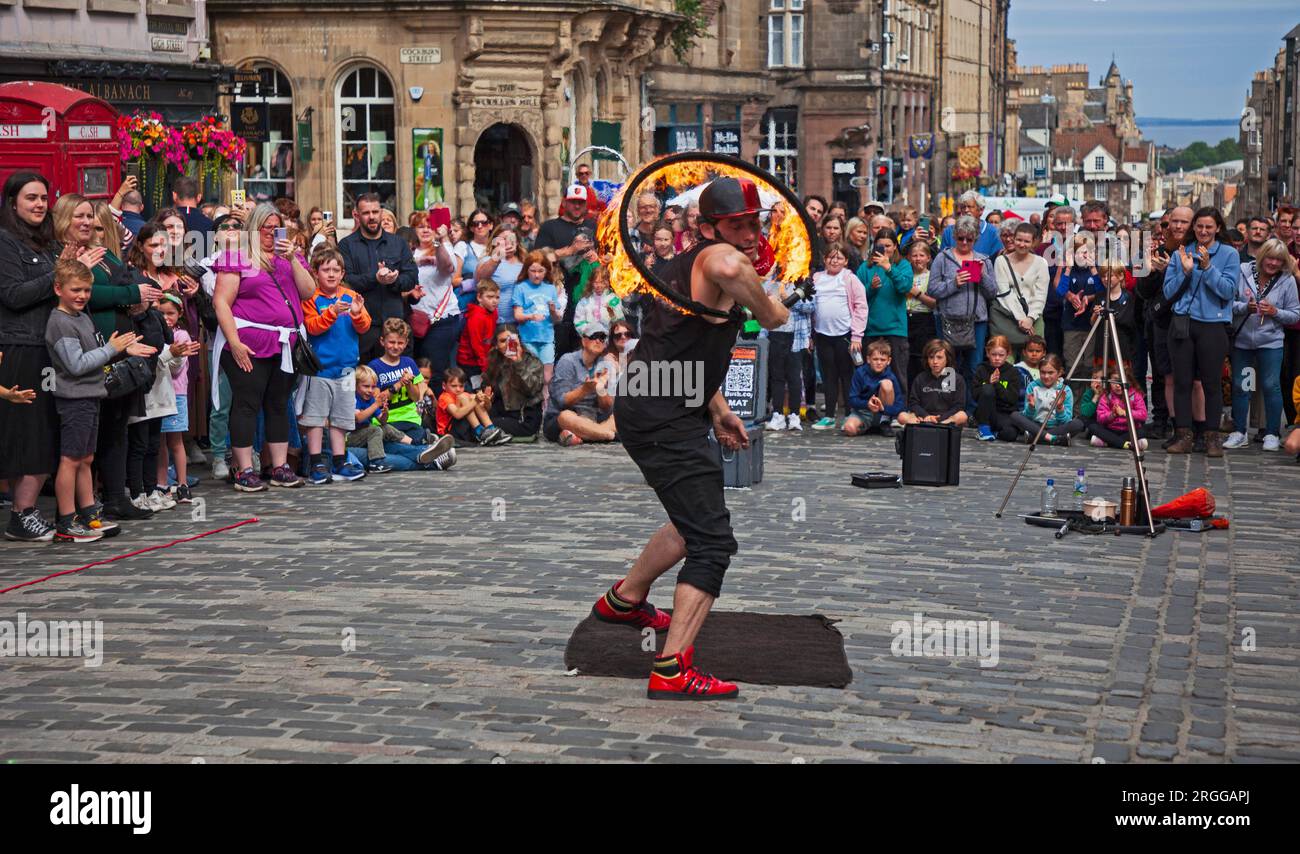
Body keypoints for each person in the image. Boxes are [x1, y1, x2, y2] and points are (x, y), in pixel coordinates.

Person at [595, 176, 790, 701]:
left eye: (754, 222)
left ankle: (624, 600)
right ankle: (672, 668)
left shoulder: (687, 267)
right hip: (660, 415)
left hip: (663, 398)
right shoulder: (718, 262)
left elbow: (685, 348)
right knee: (712, 541)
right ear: (707, 228)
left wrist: (719, 408)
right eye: (736, 225)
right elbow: (767, 312)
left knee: (691, 519)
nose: (749, 234)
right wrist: (779, 300)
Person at [45, 259, 153, 541]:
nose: (81, 296)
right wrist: (111, 348)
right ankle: (67, 521)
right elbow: (77, 365)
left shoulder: (82, 317)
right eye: (75, 290)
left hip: (92, 396)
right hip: (74, 399)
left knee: (86, 458)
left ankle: (89, 514)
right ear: (58, 289)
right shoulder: (60, 322)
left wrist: (120, 349)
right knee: (70, 459)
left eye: (86, 290)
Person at [211, 203, 313, 491]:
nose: (271, 233)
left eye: (275, 227)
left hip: (284, 344)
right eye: (265, 227)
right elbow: (221, 302)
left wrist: (293, 259)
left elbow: (308, 291)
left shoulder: (289, 258)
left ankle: (279, 466)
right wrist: (234, 342)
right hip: (249, 342)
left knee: (279, 404)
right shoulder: (237, 258)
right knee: (246, 404)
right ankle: (244, 469)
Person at [0, 173, 68, 541]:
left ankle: (25, 511)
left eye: (44, 197)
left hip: (49, 347)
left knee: (45, 433)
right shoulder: (5, 242)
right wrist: (57, 274)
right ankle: (21, 514)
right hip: (20, 348)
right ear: (12, 202)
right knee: (27, 434)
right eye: (31, 198)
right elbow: (12, 294)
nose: (40, 204)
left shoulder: (47, 245)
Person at [1164, 207, 1239, 457]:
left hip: (1213, 325)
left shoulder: (1228, 254)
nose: (1203, 231)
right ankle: (1184, 434)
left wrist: (1207, 269)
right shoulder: (1180, 253)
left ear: (1218, 228)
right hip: (1184, 323)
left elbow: (1228, 291)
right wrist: (1185, 271)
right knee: (1182, 381)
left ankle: (1212, 438)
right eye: (1199, 226)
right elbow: (1168, 293)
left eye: (1209, 226)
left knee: (1211, 384)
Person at [299, 247, 371, 484]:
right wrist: (331, 313)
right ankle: (317, 462)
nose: (331, 274)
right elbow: (313, 327)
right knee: (316, 418)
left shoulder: (351, 295)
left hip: (348, 369)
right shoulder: (311, 298)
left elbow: (364, 327)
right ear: (316, 273)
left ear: (342, 273)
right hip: (320, 368)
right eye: (325, 269)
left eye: (336, 270)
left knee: (341, 417)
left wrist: (358, 314)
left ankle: (340, 461)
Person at [1225, 238, 1299, 451]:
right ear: (1261, 256)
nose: (1273, 263)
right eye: (1269, 258)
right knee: (1242, 385)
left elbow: (1295, 314)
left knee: (1270, 386)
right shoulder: (1243, 271)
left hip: (1270, 342)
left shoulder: (1286, 280)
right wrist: (1244, 307)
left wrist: (1275, 312)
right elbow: (1228, 302)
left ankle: (1272, 432)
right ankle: (1239, 431)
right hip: (1244, 342)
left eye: (1278, 260)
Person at [339, 193, 418, 359]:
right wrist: (375, 278)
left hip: (395, 326)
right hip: (362, 327)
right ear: (357, 215)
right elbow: (347, 281)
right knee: (364, 381)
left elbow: (411, 278)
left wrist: (394, 280)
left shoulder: (398, 243)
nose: (372, 217)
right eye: (366, 213)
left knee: (399, 380)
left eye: (375, 212)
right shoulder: (347, 245)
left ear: (381, 213)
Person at [928, 216, 997, 404]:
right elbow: (932, 289)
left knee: (974, 367)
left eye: (969, 239)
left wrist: (982, 275)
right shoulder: (943, 258)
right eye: (961, 238)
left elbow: (992, 292)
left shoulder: (983, 260)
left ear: (975, 239)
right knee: (949, 366)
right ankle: (949, 405)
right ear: (954, 237)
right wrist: (954, 283)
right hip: (948, 320)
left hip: (976, 321)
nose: (965, 242)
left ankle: (972, 408)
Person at [348, 364, 455, 472]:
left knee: (385, 427)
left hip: (366, 434)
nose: (370, 390)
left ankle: (418, 446)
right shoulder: (354, 398)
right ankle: (377, 463)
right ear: (355, 385)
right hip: (351, 437)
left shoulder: (370, 399)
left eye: (373, 387)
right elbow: (358, 418)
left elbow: (382, 420)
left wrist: (385, 413)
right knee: (375, 430)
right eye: (366, 386)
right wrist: (376, 405)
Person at [533, 184, 598, 356]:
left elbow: (608, 257)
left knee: (585, 355)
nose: (577, 206)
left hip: (586, 302)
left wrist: (598, 258)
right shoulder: (550, 227)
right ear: (564, 202)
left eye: (580, 202)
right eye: (572, 202)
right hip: (557, 302)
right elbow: (536, 259)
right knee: (557, 355)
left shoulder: (594, 226)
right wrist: (569, 251)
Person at [809, 241, 868, 430]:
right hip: (822, 334)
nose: (835, 261)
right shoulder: (817, 278)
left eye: (839, 257)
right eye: (831, 257)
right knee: (828, 375)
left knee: (847, 375)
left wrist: (857, 336)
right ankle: (828, 416)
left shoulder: (850, 279)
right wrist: (810, 334)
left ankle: (850, 413)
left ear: (846, 261)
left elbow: (861, 306)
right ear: (824, 259)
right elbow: (810, 307)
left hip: (845, 334)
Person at [155, 294, 200, 503]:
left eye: (170, 313)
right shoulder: (154, 334)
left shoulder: (181, 336)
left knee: (176, 441)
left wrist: (167, 353)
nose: (166, 317)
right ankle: (162, 484)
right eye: (161, 313)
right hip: (157, 395)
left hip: (176, 394)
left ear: (180, 313)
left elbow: (175, 368)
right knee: (159, 443)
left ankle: (182, 484)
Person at [857, 229, 912, 395]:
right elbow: (857, 297)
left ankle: (899, 413)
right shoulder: (865, 267)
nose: (884, 249)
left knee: (898, 374)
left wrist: (889, 268)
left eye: (888, 246)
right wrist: (871, 288)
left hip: (895, 329)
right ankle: (870, 412)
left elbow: (905, 287)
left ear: (895, 246)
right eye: (880, 246)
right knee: (869, 374)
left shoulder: (903, 265)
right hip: (871, 328)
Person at [543, 322, 617, 445]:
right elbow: (562, 402)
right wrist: (585, 390)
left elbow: (606, 407)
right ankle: (606, 434)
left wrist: (600, 389)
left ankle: (590, 434)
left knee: (619, 417)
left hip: (594, 418)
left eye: (602, 338)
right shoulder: (567, 361)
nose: (598, 340)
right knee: (566, 416)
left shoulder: (605, 365)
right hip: (568, 416)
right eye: (594, 336)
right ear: (584, 341)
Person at [409, 211, 461, 385]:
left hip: (441, 320)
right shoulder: (409, 251)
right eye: (420, 226)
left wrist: (438, 243)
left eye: (429, 226)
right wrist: (418, 262)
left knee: (435, 370)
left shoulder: (444, 248)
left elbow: (447, 267)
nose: (425, 230)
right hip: (416, 320)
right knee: (415, 369)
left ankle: (437, 409)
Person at [368, 318, 431, 443]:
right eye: (391, 342)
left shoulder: (409, 363)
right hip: (386, 421)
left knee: (411, 440)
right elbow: (376, 401)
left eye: (400, 343)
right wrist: (398, 384)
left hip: (410, 419)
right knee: (397, 444)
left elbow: (415, 397)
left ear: (406, 342)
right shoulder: (374, 366)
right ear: (382, 341)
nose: (396, 346)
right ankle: (423, 447)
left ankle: (420, 444)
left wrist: (408, 384)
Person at [990, 222, 1049, 356]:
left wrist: (1030, 318)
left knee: (1032, 361)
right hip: (1007, 318)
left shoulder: (1041, 263)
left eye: (1027, 241)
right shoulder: (1001, 261)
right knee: (1006, 361)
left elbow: (1041, 294)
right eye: (1019, 240)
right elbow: (1004, 292)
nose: (1022, 244)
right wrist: (1022, 319)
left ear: (1033, 242)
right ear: (1014, 239)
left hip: (1034, 318)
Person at [511, 250, 564, 390]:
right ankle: (532, 405)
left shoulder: (550, 288)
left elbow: (557, 319)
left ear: (546, 271)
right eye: (533, 270)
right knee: (530, 374)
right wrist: (531, 316)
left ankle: (545, 406)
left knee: (547, 377)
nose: (536, 274)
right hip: (528, 338)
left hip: (546, 338)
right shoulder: (520, 288)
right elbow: (517, 315)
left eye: (540, 271)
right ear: (527, 270)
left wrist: (553, 311)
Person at [484, 324, 544, 439]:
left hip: (524, 418)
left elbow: (531, 390)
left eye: (511, 340)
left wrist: (518, 363)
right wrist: (486, 397)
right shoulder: (495, 362)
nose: (507, 344)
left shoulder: (532, 361)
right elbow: (489, 391)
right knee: (473, 420)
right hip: (501, 414)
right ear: (496, 345)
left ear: (518, 341)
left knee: (484, 425)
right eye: (502, 341)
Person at [1011, 353, 1084, 445]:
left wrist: (1060, 408)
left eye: (1050, 373)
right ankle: (1054, 439)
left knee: (1078, 424)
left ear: (1059, 373)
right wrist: (1031, 407)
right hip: (1036, 425)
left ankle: (1035, 438)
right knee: (1015, 415)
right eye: (1043, 372)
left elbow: (1066, 420)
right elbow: (1027, 416)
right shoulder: (1032, 386)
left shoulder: (1065, 389)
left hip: (1057, 427)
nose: (1046, 376)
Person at [897, 338, 968, 427]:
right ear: (927, 359)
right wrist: (926, 416)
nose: (935, 362)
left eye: (939, 357)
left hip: (946, 418)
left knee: (962, 415)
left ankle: (941, 425)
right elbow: (913, 403)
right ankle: (928, 425)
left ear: (947, 359)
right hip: (923, 418)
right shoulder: (920, 378)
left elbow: (959, 406)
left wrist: (940, 418)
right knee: (902, 416)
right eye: (931, 357)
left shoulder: (957, 379)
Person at [842, 340, 904, 435]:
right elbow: (852, 399)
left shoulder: (891, 377)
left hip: (882, 413)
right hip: (863, 412)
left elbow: (899, 405)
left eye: (882, 360)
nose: (879, 362)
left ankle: (884, 422)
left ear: (889, 361)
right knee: (849, 429)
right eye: (875, 359)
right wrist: (867, 404)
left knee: (887, 384)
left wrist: (883, 408)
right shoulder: (860, 373)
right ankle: (867, 427)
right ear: (868, 359)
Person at [436, 366, 507, 445]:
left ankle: (491, 429)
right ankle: (480, 432)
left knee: (472, 397)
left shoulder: (465, 395)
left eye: (461, 386)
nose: (458, 389)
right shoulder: (444, 397)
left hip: (465, 429)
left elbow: (487, 409)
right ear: (444, 385)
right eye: (454, 386)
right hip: (449, 433)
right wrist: (475, 400)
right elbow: (457, 414)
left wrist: (486, 400)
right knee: (468, 398)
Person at [973, 335, 1024, 442]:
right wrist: (989, 383)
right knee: (987, 388)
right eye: (993, 354)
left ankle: (994, 433)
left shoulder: (1013, 372)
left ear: (1008, 354)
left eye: (1001, 355)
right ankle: (984, 428)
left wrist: (997, 385)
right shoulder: (981, 369)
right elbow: (975, 395)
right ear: (987, 353)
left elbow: (1012, 399)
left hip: (1004, 413)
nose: (997, 358)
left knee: (1010, 435)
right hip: (985, 413)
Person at [473, 224, 525, 327]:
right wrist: (497, 256)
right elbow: (479, 280)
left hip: (520, 323)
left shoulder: (524, 263)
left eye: (511, 239)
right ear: (495, 242)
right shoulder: (488, 260)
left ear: (517, 242)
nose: (507, 242)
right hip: (493, 323)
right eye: (503, 239)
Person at [904, 241, 939, 383]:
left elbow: (934, 303)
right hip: (906, 319)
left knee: (922, 358)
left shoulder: (932, 276)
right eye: (914, 255)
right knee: (908, 360)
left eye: (921, 255)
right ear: (909, 258)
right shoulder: (905, 276)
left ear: (928, 258)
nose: (918, 259)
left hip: (924, 320)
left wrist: (917, 293)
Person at [455, 280, 499, 387]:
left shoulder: (494, 312)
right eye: (490, 297)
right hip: (469, 362)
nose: (494, 301)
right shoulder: (476, 317)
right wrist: (484, 366)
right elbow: (476, 344)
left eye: (497, 297)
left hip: (483, 360)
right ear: (479, 297)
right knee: (477, 390)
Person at [1090, 373, 1149, 450]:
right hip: (1111, 429)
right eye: (1114, 381)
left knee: (1143, 431)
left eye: (1121, 381)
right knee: (1093, 427)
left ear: (1129, 382)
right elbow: (1100, 418)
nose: (1118, 385)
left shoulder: (1135, 395)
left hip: (1129, 431)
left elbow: (1143, 415)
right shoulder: (1106, 396)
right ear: (1109, 382)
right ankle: (1126, 444)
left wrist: (1125, 413)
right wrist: (1112, 415)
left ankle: (1111, 442)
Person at [941, 191, 1003, 256]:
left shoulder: (993, 232)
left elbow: (996, 260)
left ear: (981, 210)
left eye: (969, 207)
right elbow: (942, 260)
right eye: (963, 207)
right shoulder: (949, 231)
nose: (966, 210)